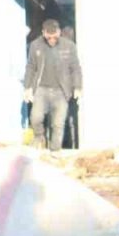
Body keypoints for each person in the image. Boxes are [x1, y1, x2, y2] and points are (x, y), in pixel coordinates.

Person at [23, 19, 82, 151]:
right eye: (49, 37)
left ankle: (55, 152)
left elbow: (75, 68)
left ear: (59, 32)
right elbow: (31, 67)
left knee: (58, 124)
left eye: (55, 37)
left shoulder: (69, 46)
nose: (52, 40)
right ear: (43, 33)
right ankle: (39, 137)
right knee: (36, 118)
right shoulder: (35, 46)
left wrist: (77, 86)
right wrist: (27, 87)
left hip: (61, 91)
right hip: (41, 90)